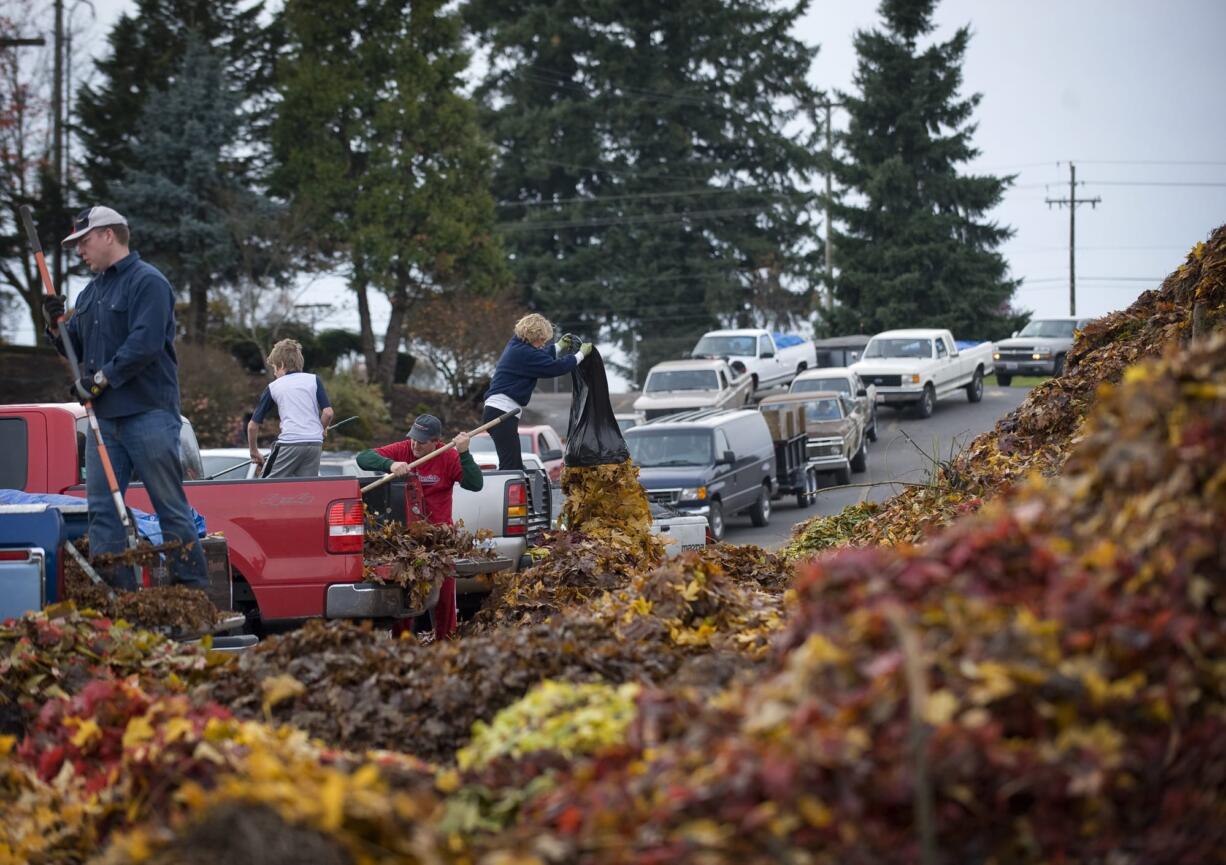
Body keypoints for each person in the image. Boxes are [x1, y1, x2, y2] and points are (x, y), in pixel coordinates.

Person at [43, 206, 208, 591]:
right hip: (106, 421)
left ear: (108, 235)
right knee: (102, 512)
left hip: (148, 413)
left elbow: (145, 344)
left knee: (169, 507)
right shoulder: (90, 293)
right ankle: (116, 599)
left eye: (83, 242)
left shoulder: (148, 282)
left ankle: (193, 595)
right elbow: (74, 349)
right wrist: (54, 326)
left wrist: (98, 381)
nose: (80, 251)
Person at [356, 414, 483, 639]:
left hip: (438, 540)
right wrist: (390, 464)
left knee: (444, 599)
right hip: (406, 541)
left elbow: (475, 484)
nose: (415, 445)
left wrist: (464, 453)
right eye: (413, 438)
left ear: (436, 441)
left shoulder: (448, 457)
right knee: (405, 595)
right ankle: (402, 644)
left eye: (422, 442)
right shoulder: (404, 450)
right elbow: (363, 458)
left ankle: (446, 641)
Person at [483, 313, 591, 470]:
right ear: (533, 335)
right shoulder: (524, 353)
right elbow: (555, 367)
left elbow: (538, 357)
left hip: (500, 412)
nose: (543, 344)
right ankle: (505, 494)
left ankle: (518, 493)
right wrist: (580, 355)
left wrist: (558, 346)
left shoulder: (517, 346)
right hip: (501, 414)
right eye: (542, 340)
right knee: (511, 466)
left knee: (515, 464)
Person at [247, 339, 335, 477]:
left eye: (274, 368)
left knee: (264, 486)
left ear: (281, 364)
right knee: (305, 489)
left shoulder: (274, 386)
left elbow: (253, 425)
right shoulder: (313, 379)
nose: (275, 373)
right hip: (314, 444)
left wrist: (254, 451)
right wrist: (321, 429)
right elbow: (328, 413)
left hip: (290, 442)